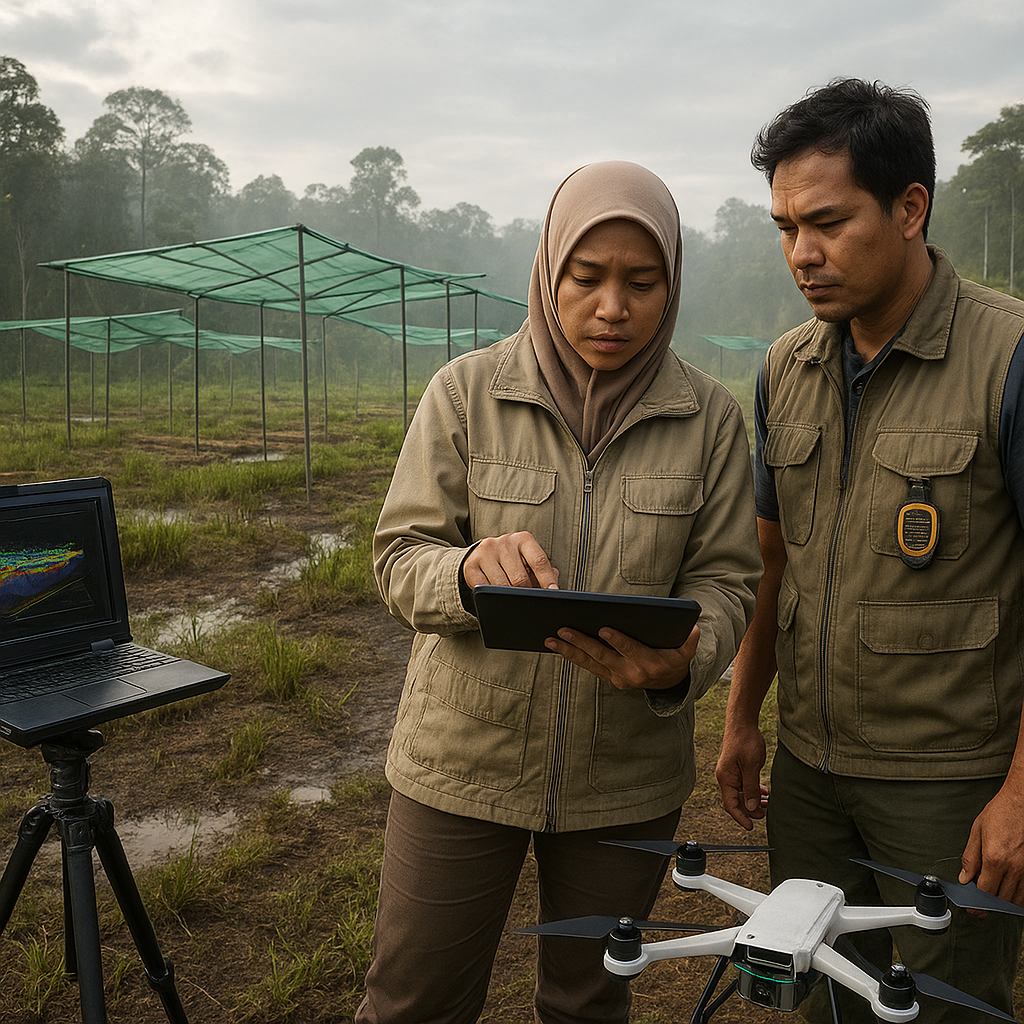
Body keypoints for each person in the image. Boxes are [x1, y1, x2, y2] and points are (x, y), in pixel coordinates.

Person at [357, 160, 761, 1024]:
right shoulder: (467, 393)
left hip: (625, 778)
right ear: (548, 271)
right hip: (460, 762)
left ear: (672, 285)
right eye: (587, 277)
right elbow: (399, 556)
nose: (613, 307)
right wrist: (465, 572)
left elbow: (729, 581)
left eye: (641, 283)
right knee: (414, 1001)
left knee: (588, 1002)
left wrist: (684, 665)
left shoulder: (710, 421)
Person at [715, 78, 1024, 1024]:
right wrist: (743, 715)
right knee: (816, 994)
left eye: (827, 222)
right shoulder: (786, 369)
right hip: (811, 776)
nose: (801, 255)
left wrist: (1020, 794)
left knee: (943, 1002)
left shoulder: (1007, 360)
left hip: (950, 783)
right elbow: (773, 563)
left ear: (910, 208)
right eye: (784, 227)